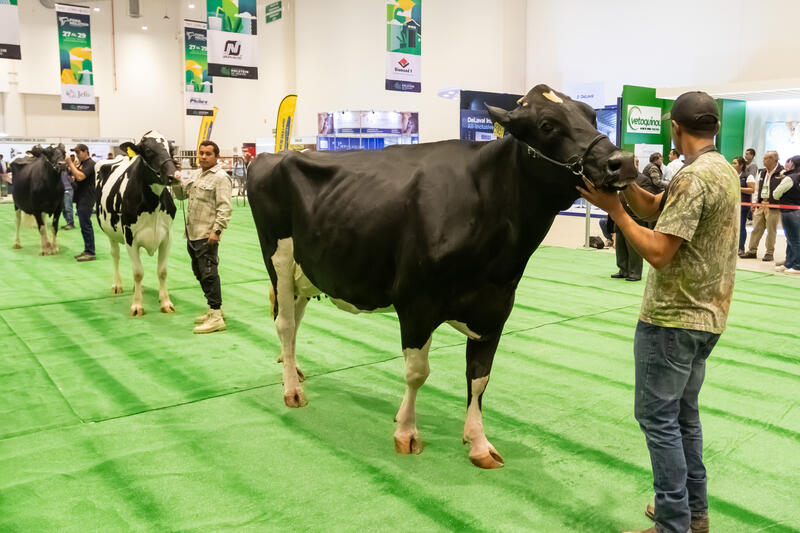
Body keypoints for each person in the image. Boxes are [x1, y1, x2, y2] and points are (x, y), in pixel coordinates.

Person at [579, 91, 739, 533]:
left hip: (673, 318)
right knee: (684, 417)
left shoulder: (693, 178)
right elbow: (655, 207)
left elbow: (659, 252)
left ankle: (673, 521)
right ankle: (694, 513)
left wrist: (615, 212)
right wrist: (624, 184)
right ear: (715, 127)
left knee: (658, 419)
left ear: (675, 127)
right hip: (707, 319)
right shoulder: (720, 170)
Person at [172, 140, 232, 334]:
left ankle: (216, 316)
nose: (204, 157)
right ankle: (215, 309)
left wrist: (217, 231)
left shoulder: (221, 178)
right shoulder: (197, 174)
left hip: (206, 234)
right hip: (192, 233)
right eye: (201, 153)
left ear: (216, 156)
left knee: (208, 273)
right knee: (199, 273)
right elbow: (182, 196)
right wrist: (176, 182)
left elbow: (224, 207)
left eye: (208, 154)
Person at [612, 156, 659, 281]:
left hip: (635, 217)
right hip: (621, 214)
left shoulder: (643, 179)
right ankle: (623, 269)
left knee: (633, 246)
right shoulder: (621, 178)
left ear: (635, 164)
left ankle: (635, 273)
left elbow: (649, 198)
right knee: (621, 245)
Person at [741, 151, 783, 261]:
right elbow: (758, 188)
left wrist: (777, 203)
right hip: (761, 204)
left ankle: (769, 252)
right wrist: (755, 202)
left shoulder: (781, 172)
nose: (764, 161)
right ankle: (752, 251)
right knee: (756, 229)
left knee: (771, 230)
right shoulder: (762, 172)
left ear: (775, 160)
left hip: (773, 205)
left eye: (767, 158)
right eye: (764, 158)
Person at [66, 144, 96, 261]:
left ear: (86, 152)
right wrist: (74, 166)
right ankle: (87, 250)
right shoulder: (83, 164)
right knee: (84, 226)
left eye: (79, 152)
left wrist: (70, 164)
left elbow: (80, 177)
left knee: (86, 225)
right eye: (76, 153)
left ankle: (90, 252)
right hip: (81, 198)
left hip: (87, 198)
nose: (77, 155)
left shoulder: (90, 164)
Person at [773, 155, 800, 273]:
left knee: (793, 239)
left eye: (788, 161)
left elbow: (775, 194)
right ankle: (789, 263)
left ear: (792, 163)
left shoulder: (790, 178)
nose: (786, 164)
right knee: (792, 239)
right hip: (796, 211)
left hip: (789, 212)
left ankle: (797, 265)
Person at [732, 156, 756, 256]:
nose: (732, 165)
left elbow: (752, 190)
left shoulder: (748, 176)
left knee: (741, 226)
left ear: (741, 165)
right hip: (733, 205)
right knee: (732, 228)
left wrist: (739, 188)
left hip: (743, 206)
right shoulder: (732, 175)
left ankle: (741, 248)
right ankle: (733, 248)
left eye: (735, 163)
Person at [61, 154, 76, 230]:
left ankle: (71, 223)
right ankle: (68, 222)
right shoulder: (58, 170)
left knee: (68, 207)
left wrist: (70, 176)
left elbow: (73, 178)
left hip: (68, 189)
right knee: (63, 208)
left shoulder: (69, 169)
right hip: (61, 191)